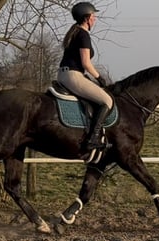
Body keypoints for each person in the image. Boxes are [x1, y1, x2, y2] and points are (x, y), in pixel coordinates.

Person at [57, 2, 114, 151]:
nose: (95, 19)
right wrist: (99, 78)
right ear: (87, 18)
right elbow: (86, 63)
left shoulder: (74, 32)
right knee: (107, 101)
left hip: (64, 74)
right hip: (73, 75)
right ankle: (92, 139)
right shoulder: (83, 35)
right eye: (93, 16)